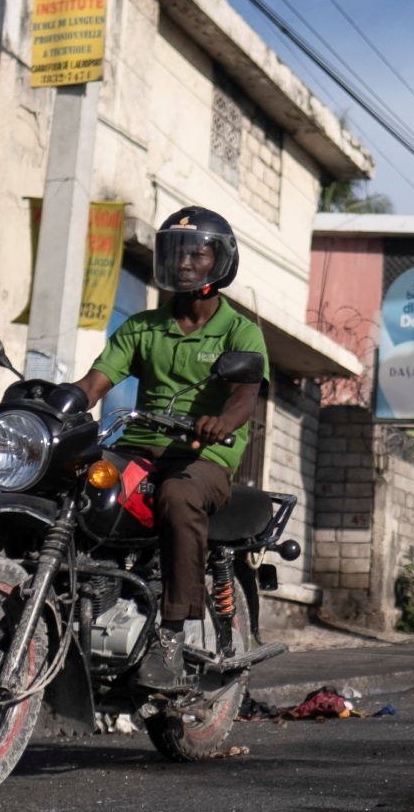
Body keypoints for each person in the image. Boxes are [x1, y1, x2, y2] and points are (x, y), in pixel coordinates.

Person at [70, 206, 268, 689]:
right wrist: (56, 400)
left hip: (203, 456)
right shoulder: (142, 327)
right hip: (137, 448)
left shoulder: (240, 332)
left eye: (197, 253)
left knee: (177, 497)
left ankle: (171, 635)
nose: (184, 262)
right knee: (75, 483)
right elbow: (96, 382)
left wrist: (221, 422)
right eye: (176, 252)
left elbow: (245, 397)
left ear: (219, 261)